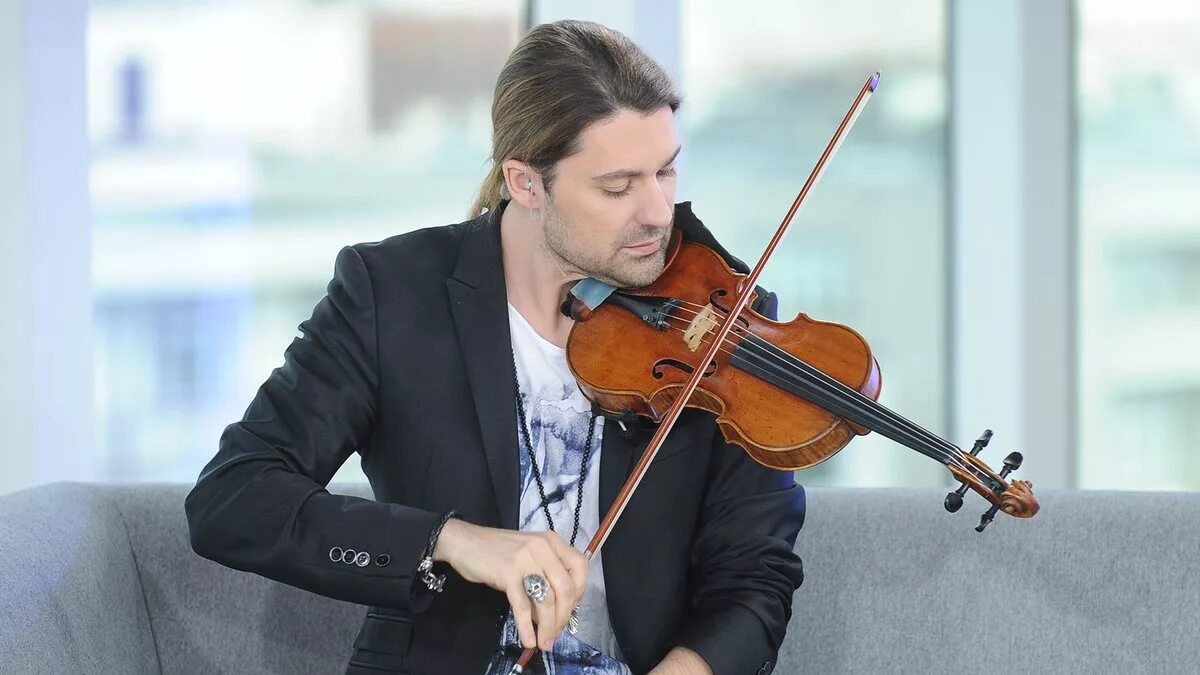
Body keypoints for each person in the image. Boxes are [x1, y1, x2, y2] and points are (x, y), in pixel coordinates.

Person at [185, 18, 804, 675]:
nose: (657, 212)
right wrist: (450, 540)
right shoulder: (389, 293)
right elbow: (233, 497)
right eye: (617, 187)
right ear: (525, 182)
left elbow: (754, 578)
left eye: (666, 171)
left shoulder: (722, 319)